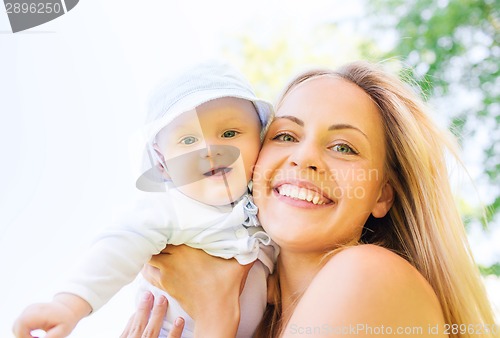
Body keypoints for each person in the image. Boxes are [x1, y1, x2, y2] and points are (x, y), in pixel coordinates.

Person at [126, 61, 498, 338]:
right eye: (286, 136)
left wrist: (215, 318)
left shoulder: (367, 274)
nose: (303, 158)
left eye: (343, 147)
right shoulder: (262, 319)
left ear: (382, 195)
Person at [12, 61, 278, 338]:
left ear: (260, 140)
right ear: (163, 164)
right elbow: (119, 246)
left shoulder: (268, 211)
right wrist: (69, 305)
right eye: (188, 141)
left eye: (229, 133)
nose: (210, 150)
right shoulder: (170, 208)